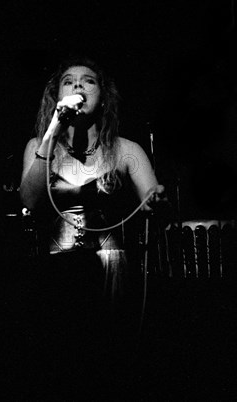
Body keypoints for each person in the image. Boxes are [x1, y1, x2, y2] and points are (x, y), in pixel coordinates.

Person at [18, 56, 166, 397]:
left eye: (88, 81)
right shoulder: (39, 147)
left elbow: (151, 201)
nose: (78, 87)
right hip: (58, 266)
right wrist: (52, 132)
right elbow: (28, 201)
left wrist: (157, 202)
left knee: (108, 359)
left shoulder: (127, 150)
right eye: (69, 81)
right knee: (63, 360)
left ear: (103, 95)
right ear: (56, 95)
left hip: (110, 265)